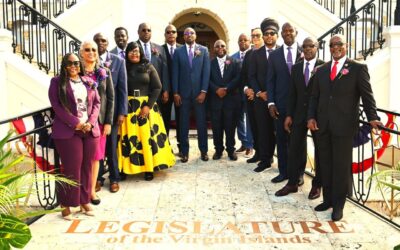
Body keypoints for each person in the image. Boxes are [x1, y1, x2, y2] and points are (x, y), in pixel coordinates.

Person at [307, 34, 382, 221]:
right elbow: (314, 97)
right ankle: (328, 200)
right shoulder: (321, 70)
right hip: (322, 125)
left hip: (344, 127)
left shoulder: (358, 68)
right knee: (325, 164)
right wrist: (310, 117)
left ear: (346, 46)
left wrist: (372, 117)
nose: (335, 48)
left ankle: (338, 205)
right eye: (332, 45)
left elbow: (367, 95)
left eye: (339, 44)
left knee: (340, 167)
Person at [48, 53, 100, 220]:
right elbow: (56, 106)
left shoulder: (88, 82)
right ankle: (66, 203)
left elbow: (97, 104)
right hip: (68, 130)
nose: (73, 66)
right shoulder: (57, 82)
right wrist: (75, 122)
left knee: (87, 166)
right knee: (71, 168)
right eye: (70, 63)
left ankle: (84, 201)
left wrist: (91, 122)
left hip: (89, 130)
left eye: (76, 63)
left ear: (81, 65)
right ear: (64, 65)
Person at [118, 42, 175, 181]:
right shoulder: (123, 67)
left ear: (141, 52)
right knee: (128, 138)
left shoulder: (148, 66)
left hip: (146, 107)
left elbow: (157, 87)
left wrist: (148, 106)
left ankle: (148, 168)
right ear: (127, 53)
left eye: (136, 51)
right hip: (129, 107)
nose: (134, 53)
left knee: (146, 138)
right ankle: (125, 168)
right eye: (131, 51)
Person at [275, 37, 324, 198]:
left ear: (317, 47)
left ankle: (317, 185)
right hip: (298, 115)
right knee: (294, 148)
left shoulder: (323, 66)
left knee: (320, 150)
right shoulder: (296, 68)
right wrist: (289, 115)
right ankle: (292, 183)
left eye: (311, 46)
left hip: (317, 116)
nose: (308, 49)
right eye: (305, 46)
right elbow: (292, 93)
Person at [266, 22, 302, 183]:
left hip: (300, 106)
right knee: (281, 140)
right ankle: (283, 172)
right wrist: (271, 103)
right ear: (281, 34)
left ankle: (299, 174)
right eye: (285, 31)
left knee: (298, 141)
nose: (288, 33)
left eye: (291, 30)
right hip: (280, 105)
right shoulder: (274, 55)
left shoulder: (306, 51)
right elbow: (270, 81)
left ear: (296, 32)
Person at [79, 41, 114, 205]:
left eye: (93, 49)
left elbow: (111, 97)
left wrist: (108, 122)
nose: (91, 52)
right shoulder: (75, 71)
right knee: (80, 158)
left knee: (95, 158)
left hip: (99, 122)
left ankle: (92, 191)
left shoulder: (104, 71)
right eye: (87, 50)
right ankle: (80, 191)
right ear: (81, 53)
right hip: (79, 121)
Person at [93, 33, 127, 195]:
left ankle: (114, 178)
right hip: (94, 115)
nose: (100, 43)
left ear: (108, 42)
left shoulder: (118, 61)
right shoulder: (89, 62)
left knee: (111, 146)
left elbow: (122, 89)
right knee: (96, 148)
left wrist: (122, 112)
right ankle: (98, 178)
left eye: (103, 40)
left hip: (112, 114)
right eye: (97, 41)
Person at [172, 27, 211, 163]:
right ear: (183, 37)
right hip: (183, 94)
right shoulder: (178, 52)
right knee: (183, 124)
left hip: (199, 94)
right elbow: (175, 73)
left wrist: (204, 91)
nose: (189, 35)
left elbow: (206, 72)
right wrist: (176, 93)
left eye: (192, 33)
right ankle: (184, 152)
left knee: (201, 123)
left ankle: (204, 151)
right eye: (186, 33)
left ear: (196, 35)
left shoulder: (204, 50)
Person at [248, 18, 279, 173]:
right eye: (266, 33)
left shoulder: (282, 53)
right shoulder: (255, 54)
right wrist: (260, 93)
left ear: (276, 36)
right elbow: (252, 76)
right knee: (263, 130)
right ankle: (265, 160)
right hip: (261, 100)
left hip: (278, 100)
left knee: (279, 131)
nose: (269, 36)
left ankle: (284, 163)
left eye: (272, 33)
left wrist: (274, 94)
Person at [209, 40, 241, 161]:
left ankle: (231, 150)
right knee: (216, 127)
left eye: (222, 46)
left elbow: (238, 78)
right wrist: (216, 89)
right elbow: (207, 79)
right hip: (215, 100)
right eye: (217, 46)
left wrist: (226, 89)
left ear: (226, 47)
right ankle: (218, 150)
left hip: (230, 100)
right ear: (214, 49)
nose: (220, 48)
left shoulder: (235, 62)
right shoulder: (209, 63)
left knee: (230, 127)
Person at [242, 28, 264, 165]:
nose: (255, 38)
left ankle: (267, 154)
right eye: (253, 36)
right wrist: (246, 90)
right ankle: (258, 153)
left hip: (264, 96)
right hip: (250, 97)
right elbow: (244, 75)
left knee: (264, 128)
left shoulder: (270, 52)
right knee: (254, 126)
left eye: (258, 35)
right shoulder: (249, 54)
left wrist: (258, 92)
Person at [231, 33, 253, 157]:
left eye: (245, 40)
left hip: (249, 93)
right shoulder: (232, 57)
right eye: (240, 40)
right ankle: (244, 142)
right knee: (239, 119)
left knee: (249, 120)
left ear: (249, 42)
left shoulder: (254, 55)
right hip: (236, 94)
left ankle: (250, 146)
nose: (243, 42)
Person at [161, 24, 182, 149]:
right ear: (165, 34)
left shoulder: (183, 48)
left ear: (176, 34)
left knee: (181, 119)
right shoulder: (159, 49)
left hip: (180, 91)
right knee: (165, 118)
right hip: (165, 91)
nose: (171, 34)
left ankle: (181, 145)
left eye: (173, 32)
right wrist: (165, 90)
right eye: (168, 32)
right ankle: (165, 146)